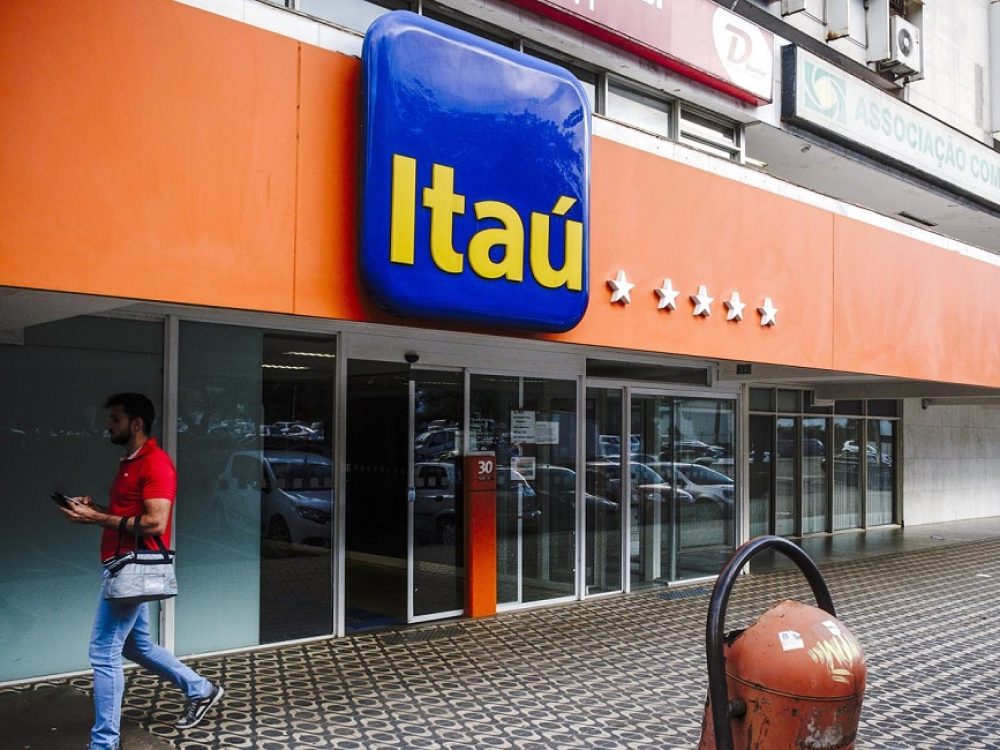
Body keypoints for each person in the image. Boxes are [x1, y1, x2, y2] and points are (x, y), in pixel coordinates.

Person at [60, 393, 223, 750]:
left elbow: (154, 523)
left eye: (115, 420)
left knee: (103, 652)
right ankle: (200, 689)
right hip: (120, 565)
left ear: (135, 423)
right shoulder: (129, 461)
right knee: (137, 645)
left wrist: (98, 518)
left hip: (132, 569)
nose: (108, 425)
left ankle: (105, 743)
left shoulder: (156, 463)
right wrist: (94, 509)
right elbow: (126, 513)